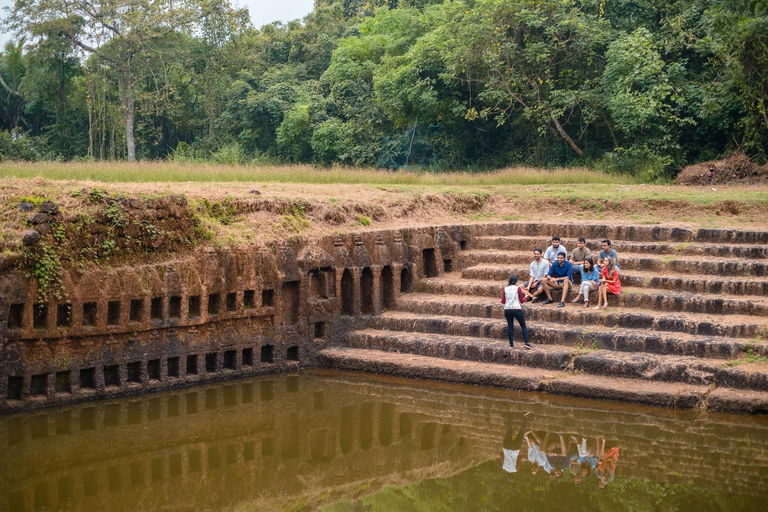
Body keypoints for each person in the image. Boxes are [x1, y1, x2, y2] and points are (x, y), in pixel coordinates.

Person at [501, 274, 533, 349]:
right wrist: (525, 297)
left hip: (507, 309)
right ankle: (527, 343)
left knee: (510, 326)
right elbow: (521, 301)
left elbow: (503, 301)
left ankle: (511, 344)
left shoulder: (505, 289)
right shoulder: (517, 288)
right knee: (523, 326)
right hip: (516, 308)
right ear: (516, 281)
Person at [501, 412, 530, 477]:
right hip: (506, 447)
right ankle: (510, 415)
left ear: (513, 475)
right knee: (509, 431)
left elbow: (519, 457)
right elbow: (501, 455)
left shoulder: (516, 469)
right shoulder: (503, 467)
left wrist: (525, 459)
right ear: (507, 475)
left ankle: (526, 417)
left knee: (521, 433)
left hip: (515, 449)